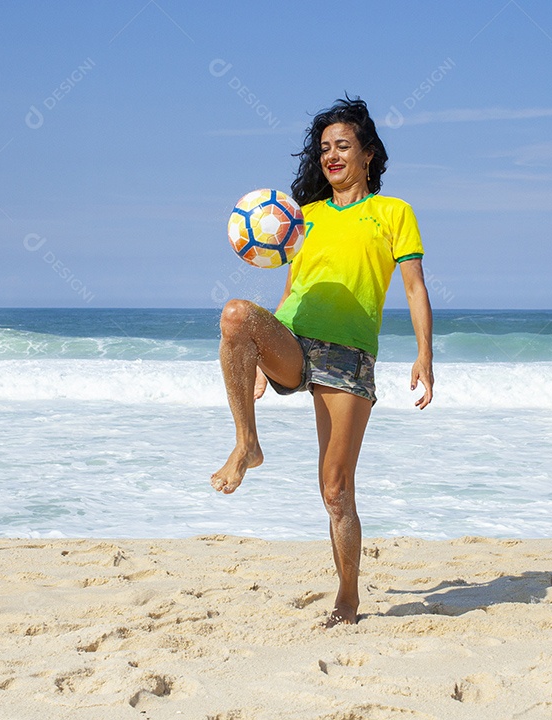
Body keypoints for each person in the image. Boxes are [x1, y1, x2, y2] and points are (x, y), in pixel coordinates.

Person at [210, 96, 434, 627]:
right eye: (324, 148)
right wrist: (261, 357)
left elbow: (415, 286)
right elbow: (293, 289)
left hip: (349, 357)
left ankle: (348, 598)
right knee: (237, 315)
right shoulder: (299, 218)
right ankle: (247, 444)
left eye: (343, 146)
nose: (331, 155)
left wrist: (425, 352)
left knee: (336, 491)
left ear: (368, 154)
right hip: (295, 339)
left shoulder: (392, 212)